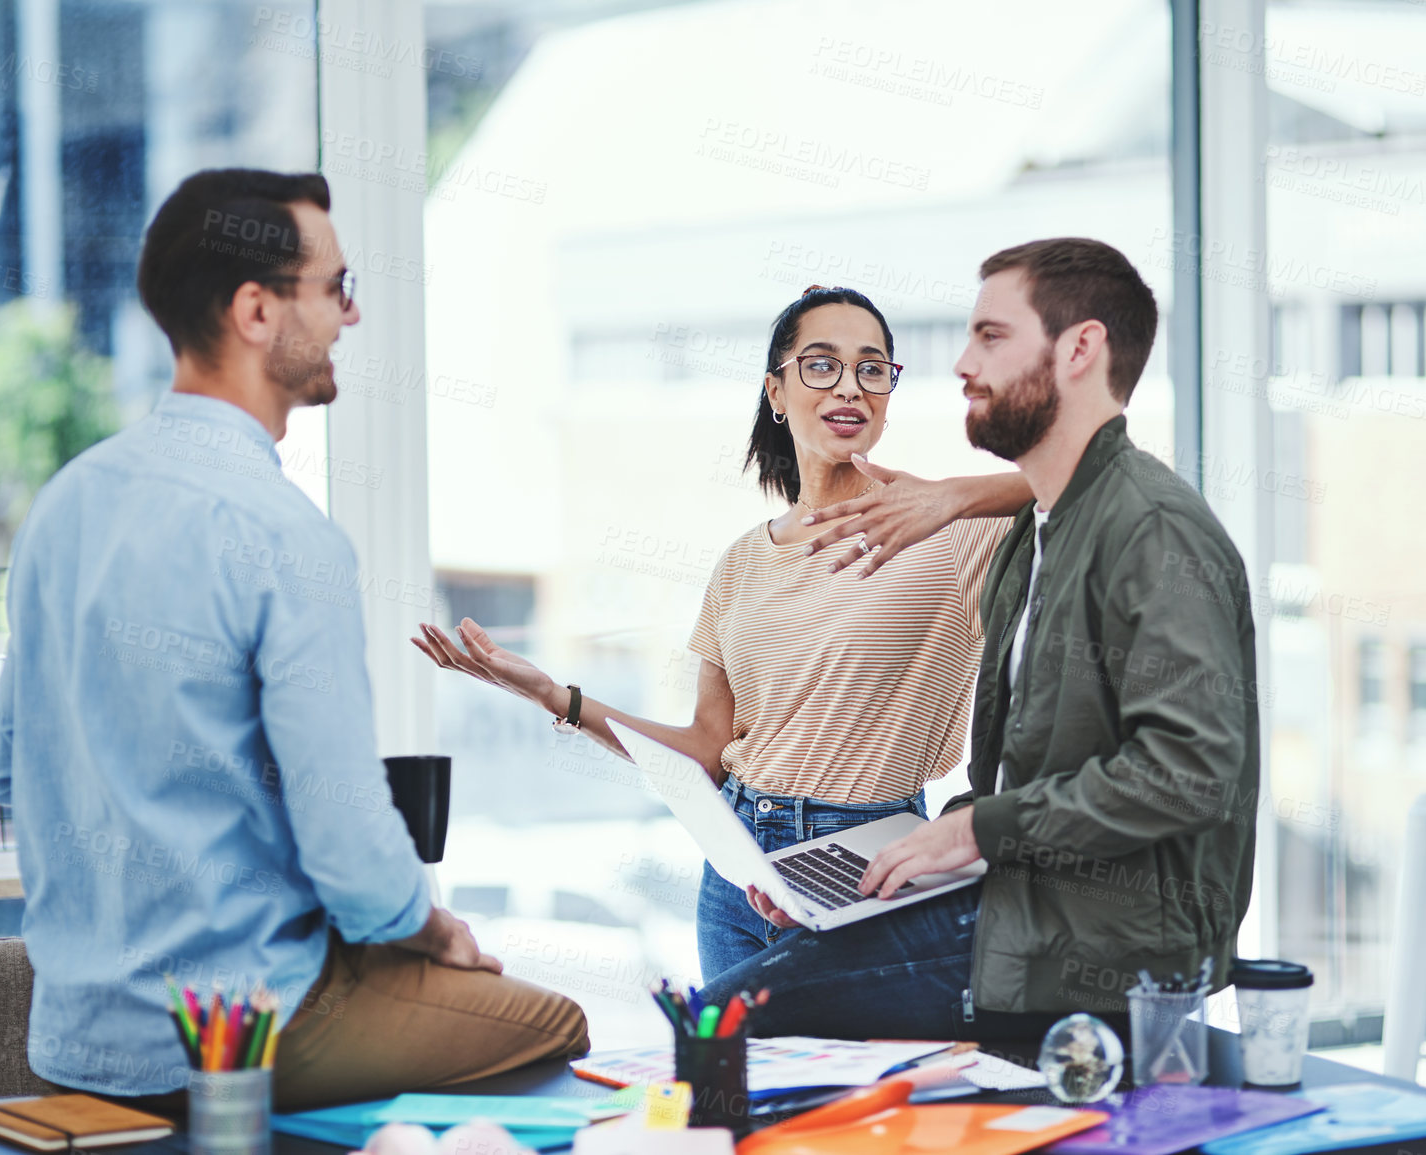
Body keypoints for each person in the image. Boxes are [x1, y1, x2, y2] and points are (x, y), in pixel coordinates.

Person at [0, 168, 587, 1110]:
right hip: (243, 1033)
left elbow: (6, 765)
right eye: (336, 288)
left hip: (74, 1037)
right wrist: (424, 925)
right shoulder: (283, 536)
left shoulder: (63, 504)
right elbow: (347, 839)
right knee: (555, 1024)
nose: (350, 317)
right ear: (256, 310)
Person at [700, 237, 1260, 1048]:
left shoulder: (1152, 529)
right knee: (774, 1006)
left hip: (1105, 938)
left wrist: (970, 831)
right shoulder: (1036, 535)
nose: (961, 363)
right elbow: (1029, 787)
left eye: (990, 337)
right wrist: (890, 863)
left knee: (729, 1021)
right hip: (1017, 895)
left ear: (1080, 349)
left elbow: (1190, 772)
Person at [414, 285, 1033, 979]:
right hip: (736, 872)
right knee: (732, 1082)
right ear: (776, 390)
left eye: (871, 368)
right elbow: (705, 751)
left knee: (848, 1079)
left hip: (868, 862)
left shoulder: (952, 535)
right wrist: (551, 694)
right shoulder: (741, 560)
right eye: (820, 364)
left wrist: (952, 494)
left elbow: (1100, 478)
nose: (849, 386)